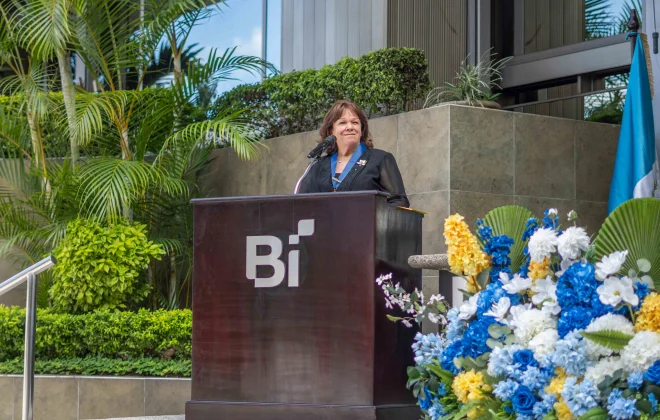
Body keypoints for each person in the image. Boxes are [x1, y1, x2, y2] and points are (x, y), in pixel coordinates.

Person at [297, 100, 409, 207]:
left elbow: (399, 202)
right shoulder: (317, 165)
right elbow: (300, 204)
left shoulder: (380, 159)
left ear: (361, 129)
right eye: (342, 122)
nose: (350, 127)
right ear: (331, 130)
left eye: (355, 122)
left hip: (365, 226)